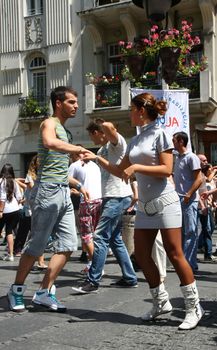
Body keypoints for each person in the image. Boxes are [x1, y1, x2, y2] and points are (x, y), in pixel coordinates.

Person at [81, 93, 204, 330]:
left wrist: (137, 166)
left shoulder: (161, 134)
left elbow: (167, 169)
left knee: (175, 253)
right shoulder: (136, 140)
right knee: (142, 255)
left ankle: (193, 306)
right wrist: (96, 158)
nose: (129, 113)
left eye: (131, 109)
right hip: (145, 206)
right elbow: (119, 171)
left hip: (166, 202)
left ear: (140, 111)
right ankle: (161, 302)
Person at [7, 86, 90, 312]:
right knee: (37, 245)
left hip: (63, 191)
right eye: (72, 102)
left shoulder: (67, 131)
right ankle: (16, 290)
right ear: (58, 103)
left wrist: (79, 186)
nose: (76, 106)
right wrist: (76, 148)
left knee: (68, 245)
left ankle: (44, 291)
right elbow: (49, 143)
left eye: (76, 102)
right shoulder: (49, 123)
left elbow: (61, 169)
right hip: (48, 191)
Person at [72, 119, 137, 294]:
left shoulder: (117, 144)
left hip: (117, 196)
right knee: (115, 240)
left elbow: (109, 127)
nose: (91, 138)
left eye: (91, 134)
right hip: (112, 197)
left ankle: (93, 280)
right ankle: (130, 277)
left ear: (98, 132)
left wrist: (100, 124)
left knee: (99, 237)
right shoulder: (102, 150)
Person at [173, 132, 203, 272]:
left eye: (174, 140)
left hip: (188, 199)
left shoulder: (191, 157)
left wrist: (188, 194)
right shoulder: (177, 157)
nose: (172, 143)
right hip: (179, 198)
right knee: (183, 232)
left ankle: (189, 264)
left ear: (180, 141)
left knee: (190, 231)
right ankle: (186, 262)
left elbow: (199, 179)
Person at [68, 150, 102, 273]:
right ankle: (91, 263)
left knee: (86, 236)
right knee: (96, 235)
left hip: (87, 202)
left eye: (71, 155)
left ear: (76, 155)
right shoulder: (95, 165)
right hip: (99, 201)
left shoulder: (74, 165)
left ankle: (96, 266)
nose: (70, 158)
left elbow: (67, 180)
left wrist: (77, 191)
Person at [0, 164, 22, 261]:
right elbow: (19, 197)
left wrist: (1, 210)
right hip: (15, 210)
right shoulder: (14, 182)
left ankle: (10, 254)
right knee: (9, 232)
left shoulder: (1, 181)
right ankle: (11, 255)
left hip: (3, 210)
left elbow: (2, 198)